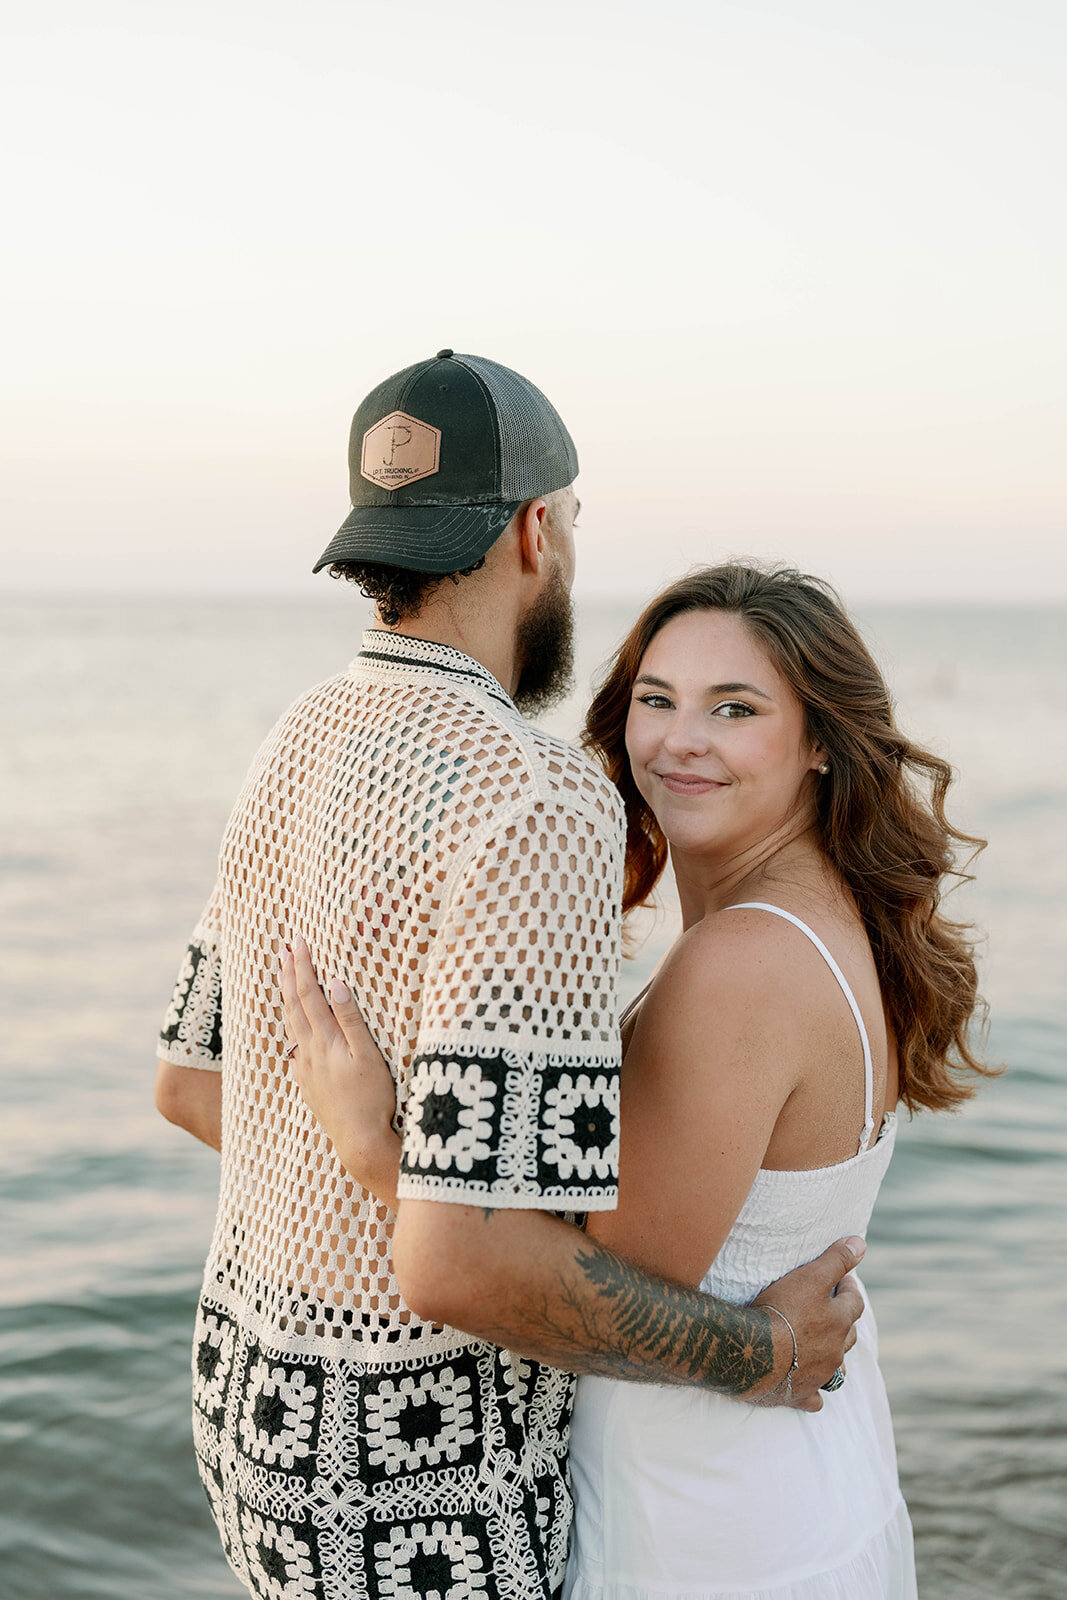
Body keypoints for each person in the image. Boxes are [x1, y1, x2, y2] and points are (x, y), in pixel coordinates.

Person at [155, 351, 864, 1600]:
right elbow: (459, 1266)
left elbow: (190, 1089)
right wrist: (758, 1352)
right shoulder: (533, 792)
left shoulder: (299, 734)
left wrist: (378, 1148)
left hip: (248, 1406)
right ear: (537, 530)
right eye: (574, 524)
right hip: (418, 1470)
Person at [283, 562, 992, 1598]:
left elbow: (583, 1295)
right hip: (802, 1486)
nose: (676, 740)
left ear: (820, 746)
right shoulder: (832, 915)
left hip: (703, 1531)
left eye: (733, 709)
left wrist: (378, 1153)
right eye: (655, 701)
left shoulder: (740, 964)